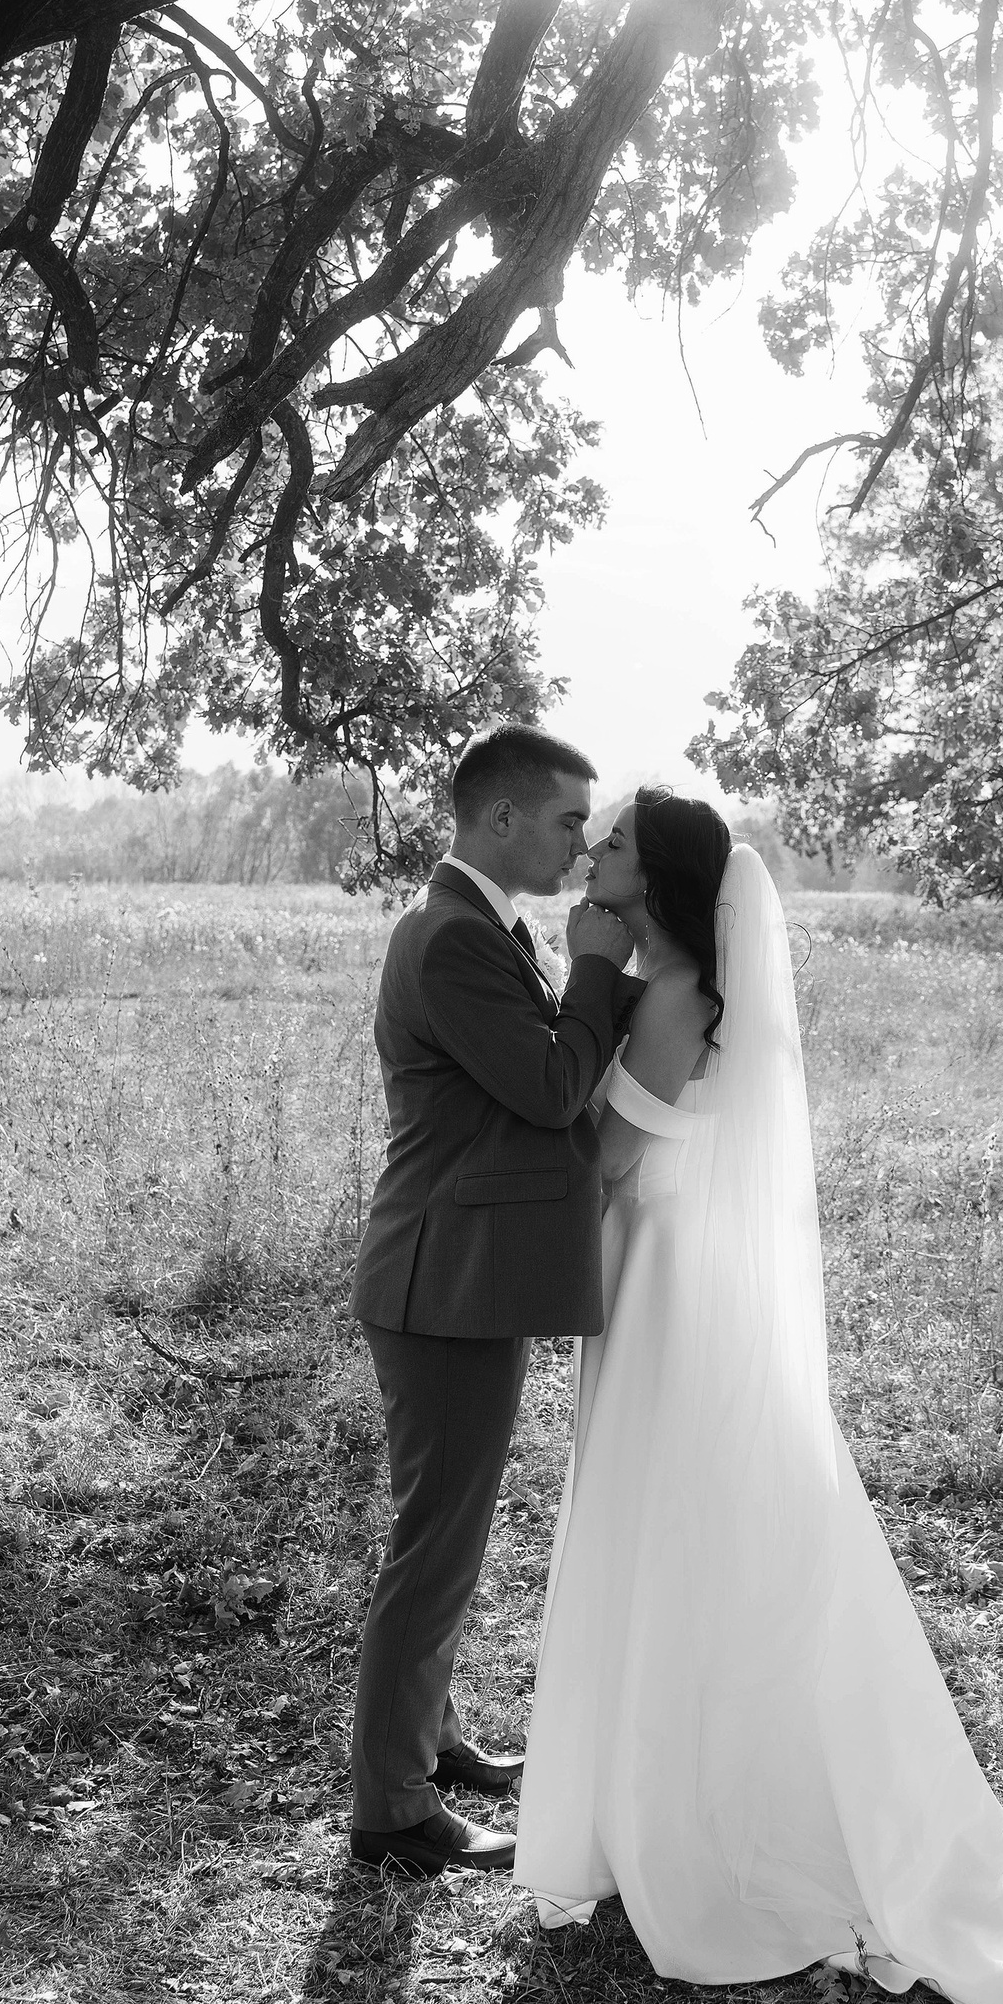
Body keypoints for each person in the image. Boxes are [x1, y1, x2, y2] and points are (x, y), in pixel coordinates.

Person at [513, 791, 1003, 2004]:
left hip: (667, 1294)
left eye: (613, 842)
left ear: (656, 878)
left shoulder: (669, 999)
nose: (594, 851)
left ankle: (696, 1819)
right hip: (668, 1280)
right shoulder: (677, 989)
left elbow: (608, 1159)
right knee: (681, 1527)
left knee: (667, 1527)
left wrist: (583, 994)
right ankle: (657, 1799)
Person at [347, 725, 635, 1879]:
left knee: (446, 1536)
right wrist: (599, 968)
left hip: (459, 1274)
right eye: (569, 822)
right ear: (502, 817)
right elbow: (554, 1084)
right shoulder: (455, 936)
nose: (581, 845)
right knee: (435, 1549)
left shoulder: (484, 924)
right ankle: (391, 1810)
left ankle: (429, 1740)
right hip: (443, 1283)